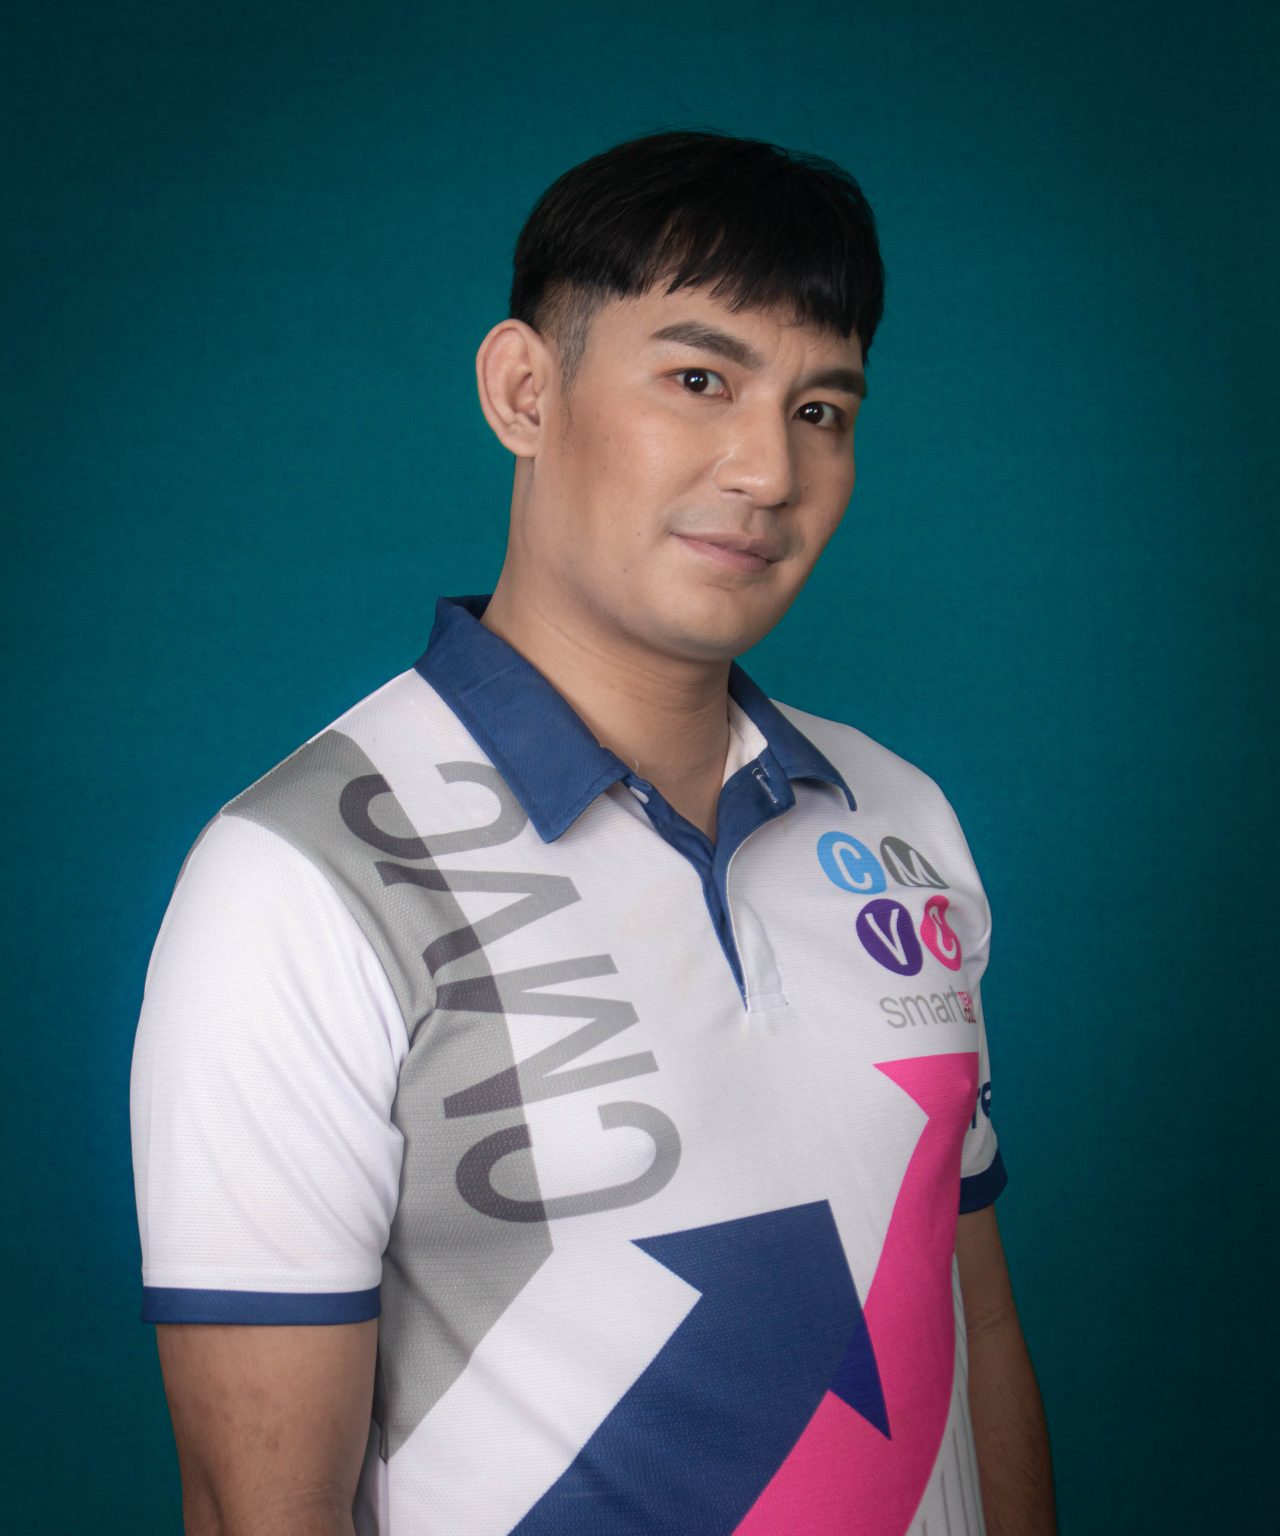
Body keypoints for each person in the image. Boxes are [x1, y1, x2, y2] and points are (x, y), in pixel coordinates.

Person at [130, 128, 1056, 1536]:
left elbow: (972, 1325)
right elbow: (256, 1507)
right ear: (525, 391)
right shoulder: (295, 880)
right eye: (700, 381)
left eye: (821, 409)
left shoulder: (899, 817)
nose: (768, 470)